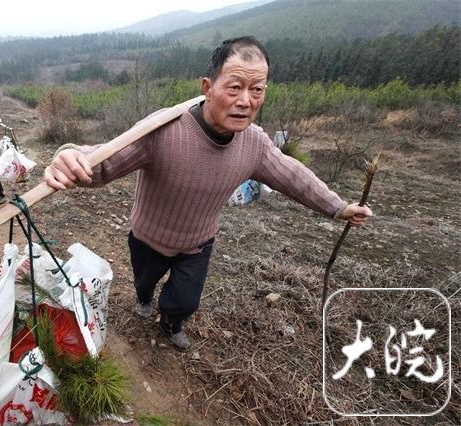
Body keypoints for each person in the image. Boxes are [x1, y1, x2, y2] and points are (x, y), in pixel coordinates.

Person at [43, 37, 373, 351]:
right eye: (235, 87)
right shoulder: (164, 130)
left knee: (185, 300)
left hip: (197, 243)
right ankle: (144, 299)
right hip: (147, 236)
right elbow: (105, 159)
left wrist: (337, 207)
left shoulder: (254, 143)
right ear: (208, 87)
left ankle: (171, 324)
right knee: (144, 284)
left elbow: (292, 175)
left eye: (256, 90)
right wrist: (71, 155)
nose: (246, 100)